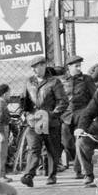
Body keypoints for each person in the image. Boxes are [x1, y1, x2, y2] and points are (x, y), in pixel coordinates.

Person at [19, 56, 66, 187]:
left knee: (52, 149)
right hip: (34, 121)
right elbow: (24, 101)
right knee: (34, 147)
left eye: (37, 66)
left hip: (51, 122)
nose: (34, 70)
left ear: (44, 66)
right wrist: (25, 114)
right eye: (32, 67)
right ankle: (29, 175)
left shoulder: (54, 82)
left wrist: (51, 115)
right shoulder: (29, 82)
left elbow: (63, 102)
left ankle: (52, 175)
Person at [59, 55, 96, 178]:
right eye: (76, 66)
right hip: (66, 115)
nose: (79, 68)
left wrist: (92, 113)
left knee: (81, 141)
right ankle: (77, 163)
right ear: (69, 67)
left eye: (80, 65)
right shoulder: (61, 81)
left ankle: (79, 170)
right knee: (67, 143)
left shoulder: (87, 79)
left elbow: (94, 97)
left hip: (82, 114)